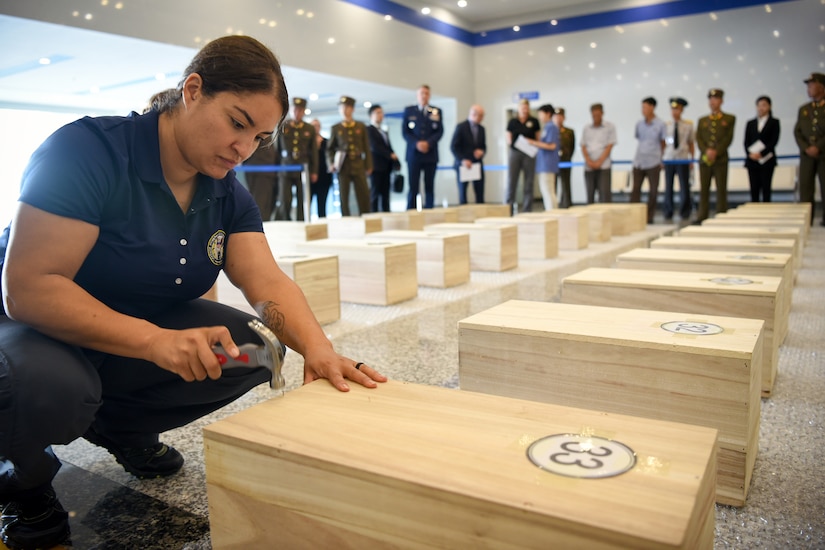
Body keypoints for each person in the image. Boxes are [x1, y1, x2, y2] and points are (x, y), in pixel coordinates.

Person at [0, 36, 386, 550]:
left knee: (253, 348)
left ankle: (120, 430)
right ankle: (22, 482)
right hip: (31, 328)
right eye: (237, 122)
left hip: (128, 326)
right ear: (193, 90)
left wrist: (318, 349)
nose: (244, 148)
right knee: (52, 387)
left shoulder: (224, 190)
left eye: (260, 138)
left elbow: (265, 281)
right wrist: (155, 341)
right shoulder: (88, 151)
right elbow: (29, 289)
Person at [327, 96, 373, 216]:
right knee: (344, 196)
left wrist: (369, 165)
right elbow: (329, 149)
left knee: (363, 194)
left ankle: (366, 217)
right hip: (343, 165)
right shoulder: (336, 128)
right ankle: (345, 220)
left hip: (358, 163)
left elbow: (366, 147)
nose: (344, 110)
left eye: (346, 107)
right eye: (341, 107)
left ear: (352, 109)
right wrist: (331, 163)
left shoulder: (360, 126)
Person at [695, 88, 736, 223]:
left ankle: (721, 215)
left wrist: (716, 151)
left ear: (721, 101)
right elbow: (699, 138)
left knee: (721, 189)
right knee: (704, 189)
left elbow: (728, 139)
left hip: (721, 159)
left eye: (716, 99)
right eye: (711, 99)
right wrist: (706, 151)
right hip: (705, 159)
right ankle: (702, 215)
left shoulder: (729, 119)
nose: (713, 101)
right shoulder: (702, 120)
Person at [274, 97, 318, 221]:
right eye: (295, 109)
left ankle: (301, 222)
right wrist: (276, 168)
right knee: (285, 199)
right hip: (285, 166)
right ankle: (285, 222)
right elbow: (277, 149)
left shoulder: (309, 128)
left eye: (300, 110)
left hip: (302, 167)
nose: (297, 112)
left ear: (303, 111)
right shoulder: (283, 125)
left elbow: (313, 151)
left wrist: (314, 171)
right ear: (291, 110)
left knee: (302, 199)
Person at [402, 85, 444, 209]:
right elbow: (405, 132)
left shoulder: (436, 111)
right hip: (414, 155)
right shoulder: (409, 111)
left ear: (429, 95)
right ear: (417, 95)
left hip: (430, 154)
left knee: (429, 186)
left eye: (426, 93)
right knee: (413, 187)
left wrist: (428, 143)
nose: (424, 96)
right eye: (421, 93)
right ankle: (411, 212)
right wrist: (417, 144)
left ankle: (429, 212)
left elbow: (439, 131)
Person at [794, 72, 825, 226]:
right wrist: (806, 148)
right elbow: (797, 131)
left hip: (823, 153)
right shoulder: (804, 109)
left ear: (822, 86)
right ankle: (806, 221)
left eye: (812, 85)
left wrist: (818, 146)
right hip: (806, 155)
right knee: (805, 188)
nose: (809, 88)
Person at [630, 97, 667, 224]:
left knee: (653, 191)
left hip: (653, 162)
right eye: (642, 107)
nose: (643, 110)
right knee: (635, 190)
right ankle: (634, 216)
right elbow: (639, 139)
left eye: (645, 107)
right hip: (639, 161)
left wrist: (661, 159)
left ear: (652, 107)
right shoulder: (639, 124)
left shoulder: (660, 124)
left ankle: (649, 217)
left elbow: (663, 143)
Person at [662, 97, 695, 222]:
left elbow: (691, 142)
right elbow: (662, 143)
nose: (674, 111)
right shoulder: (666, 125)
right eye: (673, 109)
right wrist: (661, 159)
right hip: (669, 158)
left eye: (677, 109)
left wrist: (692, 159)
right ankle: (668, 211)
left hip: (682, 159)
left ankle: (685, 211)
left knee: (684, 186)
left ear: (682, 110)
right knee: (668, 186)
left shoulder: (688, 125)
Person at [505, 99, 541, 213]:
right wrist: (519, 145)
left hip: (529, 154)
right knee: (512, 181)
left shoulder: (534, 121)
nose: (524, 110)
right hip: (515, 153)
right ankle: (509, 208)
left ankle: (527, 209)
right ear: (519, 108)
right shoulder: (512, 122)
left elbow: (538, 138)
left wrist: (529, 144)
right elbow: (509, 138)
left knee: (529, 182)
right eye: (522, 107)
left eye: (526, 108)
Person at [744, 96, 781, 203]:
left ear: (769, 107)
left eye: (764, 105)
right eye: (759, 105)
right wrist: (750, 153)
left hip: (767, 160)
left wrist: (762, 153)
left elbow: (774, 141)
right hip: (752, 161)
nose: (761, 108)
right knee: (754, 189)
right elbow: (746, 141)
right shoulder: (751, 123)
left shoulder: (774, 122)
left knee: (766, 189)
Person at [450, 104, 487, 204]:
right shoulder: (461, 127)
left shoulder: (481, 129)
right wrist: (463, 160)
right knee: (463, 193)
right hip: (464, 165)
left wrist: (481, 152)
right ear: (474, 114)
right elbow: (454, 146)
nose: (482, 118)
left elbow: (483, 146)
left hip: (476, 164)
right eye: (481, 116)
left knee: (479, 193)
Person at [580, 103, 617, 204]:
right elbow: (583, 146)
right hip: (589, 167)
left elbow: (610, 146)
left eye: (598, 114)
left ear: (602, 113)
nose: (595, 117)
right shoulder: (586, 128)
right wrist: (589, 161)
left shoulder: (609, 127)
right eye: (593, 115)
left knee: (605, 195)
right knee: (590, 195)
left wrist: (599, 162)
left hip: (604, 166)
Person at [367, 104, 398, 213]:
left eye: (382, 113)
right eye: (378, 113)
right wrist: (389, 155)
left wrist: (395, 159)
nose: (381, 115)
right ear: (371, 115)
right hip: (375, 167)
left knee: (385, 195)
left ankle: (386, 214)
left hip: (386, 167)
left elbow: (389, 147)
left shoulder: (384, 131)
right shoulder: (369, 130)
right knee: (375, 194)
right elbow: (375, 146)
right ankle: (374, 217)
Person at [529, 104, 561, 211]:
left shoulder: (551, 127)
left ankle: (552, 213)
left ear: (548, 114)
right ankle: (552, 212)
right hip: (543, 164)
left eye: (541, 114)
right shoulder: (547, 127)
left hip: (548, 164)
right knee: (547, 191)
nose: (539, 117)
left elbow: (552, 145)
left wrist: (534, 143)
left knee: (548, 191)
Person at [242, 138, 279, 221]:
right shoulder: (260, 132)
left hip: (269, 171)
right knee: (260, 201)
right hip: (259, 170)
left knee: (267, 202)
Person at [310, 119, 333, 218]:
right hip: (310, 177)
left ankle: (322, 223)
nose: (316, 127)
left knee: (322, 203)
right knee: (307, 203)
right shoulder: (307, 143)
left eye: (317, 125)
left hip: (324, 177)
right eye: (314, 125)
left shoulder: (326, 142)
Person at [554, 107, 575, 208]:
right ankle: (553, 207)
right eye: (556, 116)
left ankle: (567, 205)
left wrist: (568, 157)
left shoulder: (569, 132)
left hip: (566, 161)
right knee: (553, 186)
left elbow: (572, 147)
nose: (558, 119)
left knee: (566, 185)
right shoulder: (551, 131)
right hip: (553, 163)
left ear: (564, 117)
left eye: (560, 116)